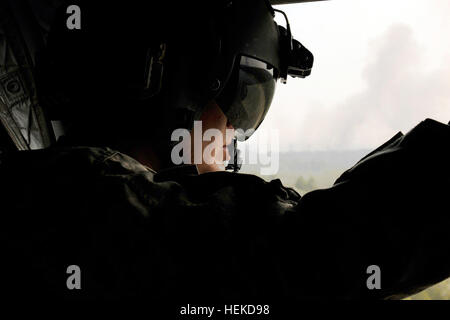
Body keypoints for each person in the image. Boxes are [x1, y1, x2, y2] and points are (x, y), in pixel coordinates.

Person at [0, 0, 449, 301]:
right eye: (244, 102)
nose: (235, 133)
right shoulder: (89, 199)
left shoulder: (43, 184)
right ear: (174, 87)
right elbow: (317, 256)